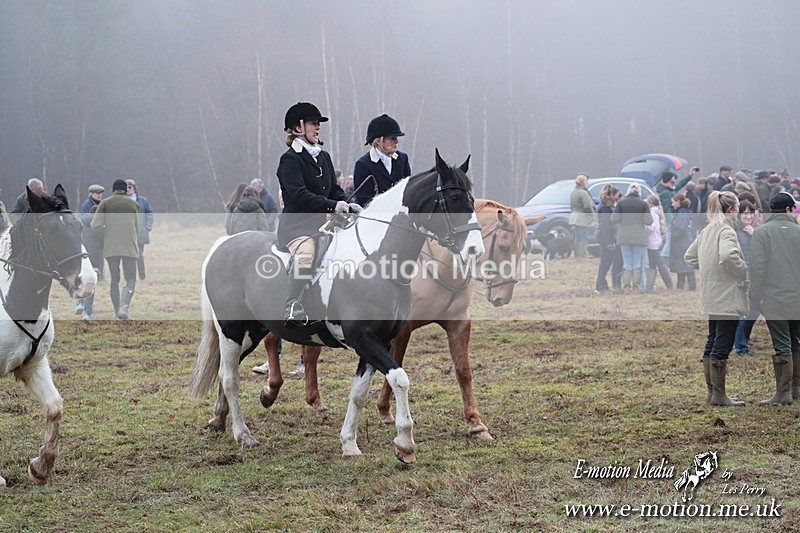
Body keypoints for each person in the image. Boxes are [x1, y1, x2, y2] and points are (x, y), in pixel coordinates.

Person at [277, 102, 359, 327]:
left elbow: (334, 189)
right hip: (298, 228)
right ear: (298, 128)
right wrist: (332, 206)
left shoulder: (323, 157)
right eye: (313, 123)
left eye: (318, 124)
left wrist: (349, 204)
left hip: (324, 225)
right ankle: (292, 304)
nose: (318, 127)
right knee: (306, 254)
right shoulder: (290, 160)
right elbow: (299, 195)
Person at [685, 191, 748, 406]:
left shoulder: (707, 230)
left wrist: (709, 269)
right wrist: (742, 270)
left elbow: (690, 257)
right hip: (727, 295)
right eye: (738, 207)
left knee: (712, 340)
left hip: (711, 295)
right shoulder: (727, 230)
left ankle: (713, 393)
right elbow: (729, 256)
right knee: (723, 342)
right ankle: (719, 396)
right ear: (731, 209)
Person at [749, 192, 800, 405]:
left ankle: (783, 393)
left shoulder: (761, 232)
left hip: (774, 298)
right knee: (796, 342)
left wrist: (755, 297)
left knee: (782, 344)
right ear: (789, 209)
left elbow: (757, 269)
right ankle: (796, 388)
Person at [91, 179, 140, 320]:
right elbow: (137, 226)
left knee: (114, 279)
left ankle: (116, 310)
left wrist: (106, 236)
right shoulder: (134, 204)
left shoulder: (105, 203)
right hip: (129, 247)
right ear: (125, 190)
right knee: (130, 278)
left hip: (111, 248)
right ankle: (124, 308)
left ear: (113, 189)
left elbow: (95, 225)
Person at [352, 114, 412, 207]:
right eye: (392, 138)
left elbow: (409, 189)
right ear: (379, 141)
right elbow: (364, 200)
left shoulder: (403, 159)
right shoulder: (363, 165)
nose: (397, 141)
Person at [610, 183, 652, 291]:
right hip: (639, 236)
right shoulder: (643, 204)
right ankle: (636, 287)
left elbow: (614, 219)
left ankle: (626, 287)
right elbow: (649, 221)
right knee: (637, 263)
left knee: (627, 263)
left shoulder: (621, 203)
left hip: (624, 236)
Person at [76, 184, 105, 320]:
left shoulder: (101, 204)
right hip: (91, 246)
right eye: (97, 193)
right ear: (91, 194)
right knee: (91, 277)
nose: (99, 195)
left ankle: (81, 303)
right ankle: (86, 310)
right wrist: (99, 217)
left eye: (100, 193)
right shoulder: (87, 205)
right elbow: (85, 219)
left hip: (96, 245)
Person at [733, 200, 758, 356]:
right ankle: (740, 347)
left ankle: (743, 340)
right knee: (743, 312)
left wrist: (754, 235)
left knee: (754, 310)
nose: (748, 216)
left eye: (751, 213)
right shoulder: (736, 231)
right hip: (743, 277)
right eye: (745, 213)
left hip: (754, 277)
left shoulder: (751, 230)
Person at [594, 184, 621, 294]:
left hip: (605, 237)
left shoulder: (606, 206)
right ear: (611, 195)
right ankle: (600, 286)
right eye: (616, 195)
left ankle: (602, 285)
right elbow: (605, 226)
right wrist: (609, 242)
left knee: (606, 262)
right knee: (605, 263)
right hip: (605, 238)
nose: (618, 196)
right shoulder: (605, 208)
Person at [125, 179, 154, 281]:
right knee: (128, 256)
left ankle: (142, 276)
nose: (128, 189)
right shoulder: (122, 201)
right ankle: (130, 277)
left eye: (130, 187)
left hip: (140, 232)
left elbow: (149, 214)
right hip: (127, 233)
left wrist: (147, 227)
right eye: (126, 188)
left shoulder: (143, 201)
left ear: (134, 188)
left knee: (140, 255)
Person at [645, 194, 673, 292]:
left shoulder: (652, 213)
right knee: (652, 264)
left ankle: (669, 284)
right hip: (655, 240)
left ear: (650, 203)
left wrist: (644, 227)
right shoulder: (657, 212)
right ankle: (650, 286)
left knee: (659, 265)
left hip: (652, 241)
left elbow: (651, 227)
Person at [669, 193, 696, 290]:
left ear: (678, 202)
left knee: (682, 264)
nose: (672, 204)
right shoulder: (687, 212)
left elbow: (681, 228)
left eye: (673, 202)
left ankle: (683, 286)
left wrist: (674, 236)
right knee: (686, 264)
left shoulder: (681, 213)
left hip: (681, 242)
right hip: (687, 241)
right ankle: (689, 286)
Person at [568, 173, 596, 258]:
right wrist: (591, 215)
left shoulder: (573, 192)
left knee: (577, 237)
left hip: (574, 217)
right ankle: (583, 255)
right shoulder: (583, 193)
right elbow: (587, 206)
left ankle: (577, 255)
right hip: (582, 217)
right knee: (583, 237)